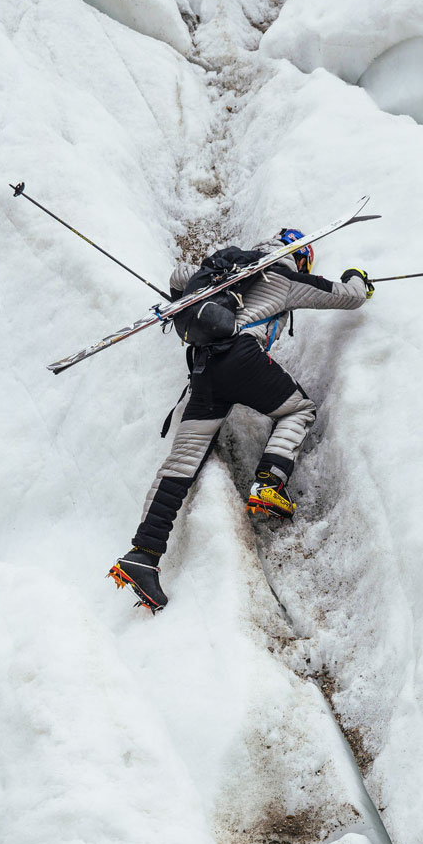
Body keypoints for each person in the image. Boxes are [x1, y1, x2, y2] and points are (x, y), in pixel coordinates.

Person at [109, 228, 373, 612]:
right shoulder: (285, 278)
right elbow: (347, 297)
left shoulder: (227, 271)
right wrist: (357, 278)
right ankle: (268, 484)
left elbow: (179, 276)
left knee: (181, 463)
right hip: (243, 357)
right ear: (301, 258)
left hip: (204, 369)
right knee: (299, 409)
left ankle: (143, 554)